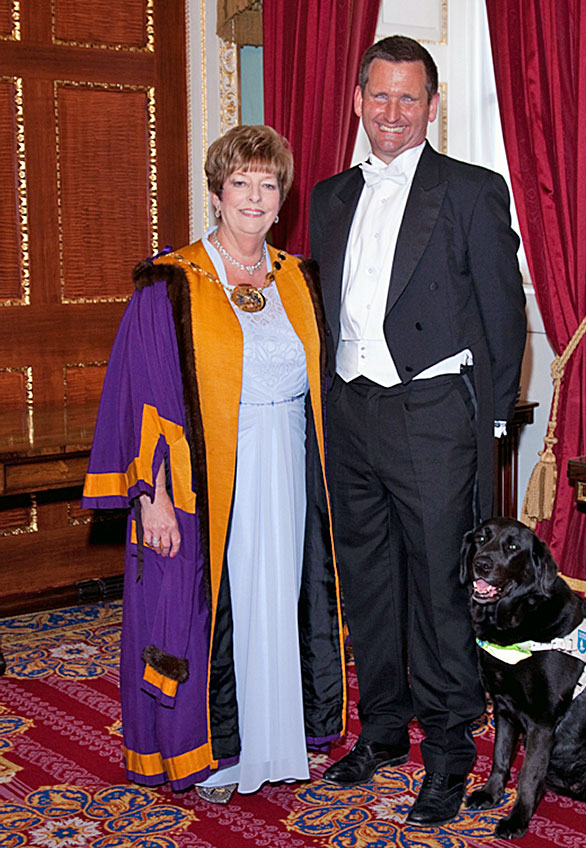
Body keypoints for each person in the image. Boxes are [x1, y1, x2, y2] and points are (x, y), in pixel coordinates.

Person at [83, 125, 346, 804]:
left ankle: (273, 742)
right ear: (215, 193)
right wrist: (153, 495)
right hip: (209, 481)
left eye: (268, 184)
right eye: (241, 183)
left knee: (280, 599)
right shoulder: (172, 283)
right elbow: (144, 395)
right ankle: (220, 755)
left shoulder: (297, 277)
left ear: (281, 198)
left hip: (288, 465)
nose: (255, 197)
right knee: (212, 610)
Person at [309, 36, 527, 826]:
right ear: (357, 101)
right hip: (352, 412)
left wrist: (492, 422)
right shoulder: (330, 195)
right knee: (367, 581)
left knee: (441, 590)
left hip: (434, 417)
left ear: (433, 105)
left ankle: (447, 752)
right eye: (380, 97)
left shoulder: (470, 189)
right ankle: (383, 732)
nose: (393, 113)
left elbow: (506, 313)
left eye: (409, 98)